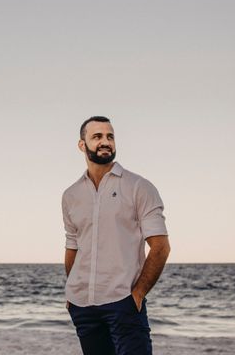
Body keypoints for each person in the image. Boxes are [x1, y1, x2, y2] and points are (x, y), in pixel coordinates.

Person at [62, 116, 170, 355]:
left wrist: (138, 294)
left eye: (110, 136)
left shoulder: (139, 187)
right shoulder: (71, 195)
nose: (105, 142)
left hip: (124, 303)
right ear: (82, 145)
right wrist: (72, 291)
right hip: (83, 307)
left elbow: (161, 247)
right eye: (97, 136)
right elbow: (73, 245)